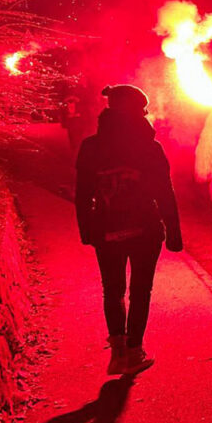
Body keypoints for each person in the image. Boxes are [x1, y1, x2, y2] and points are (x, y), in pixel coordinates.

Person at [75, 84, 183, 376]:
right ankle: (134, 351)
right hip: (144, 230)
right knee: (140, 291)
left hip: (106, 228)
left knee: (112, 291)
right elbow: (164, 192)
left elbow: (82, 193)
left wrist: (87, 229)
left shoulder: (90, 146)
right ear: (137, 111)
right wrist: (173, 232)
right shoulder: (150, 147)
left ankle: (118, 354)